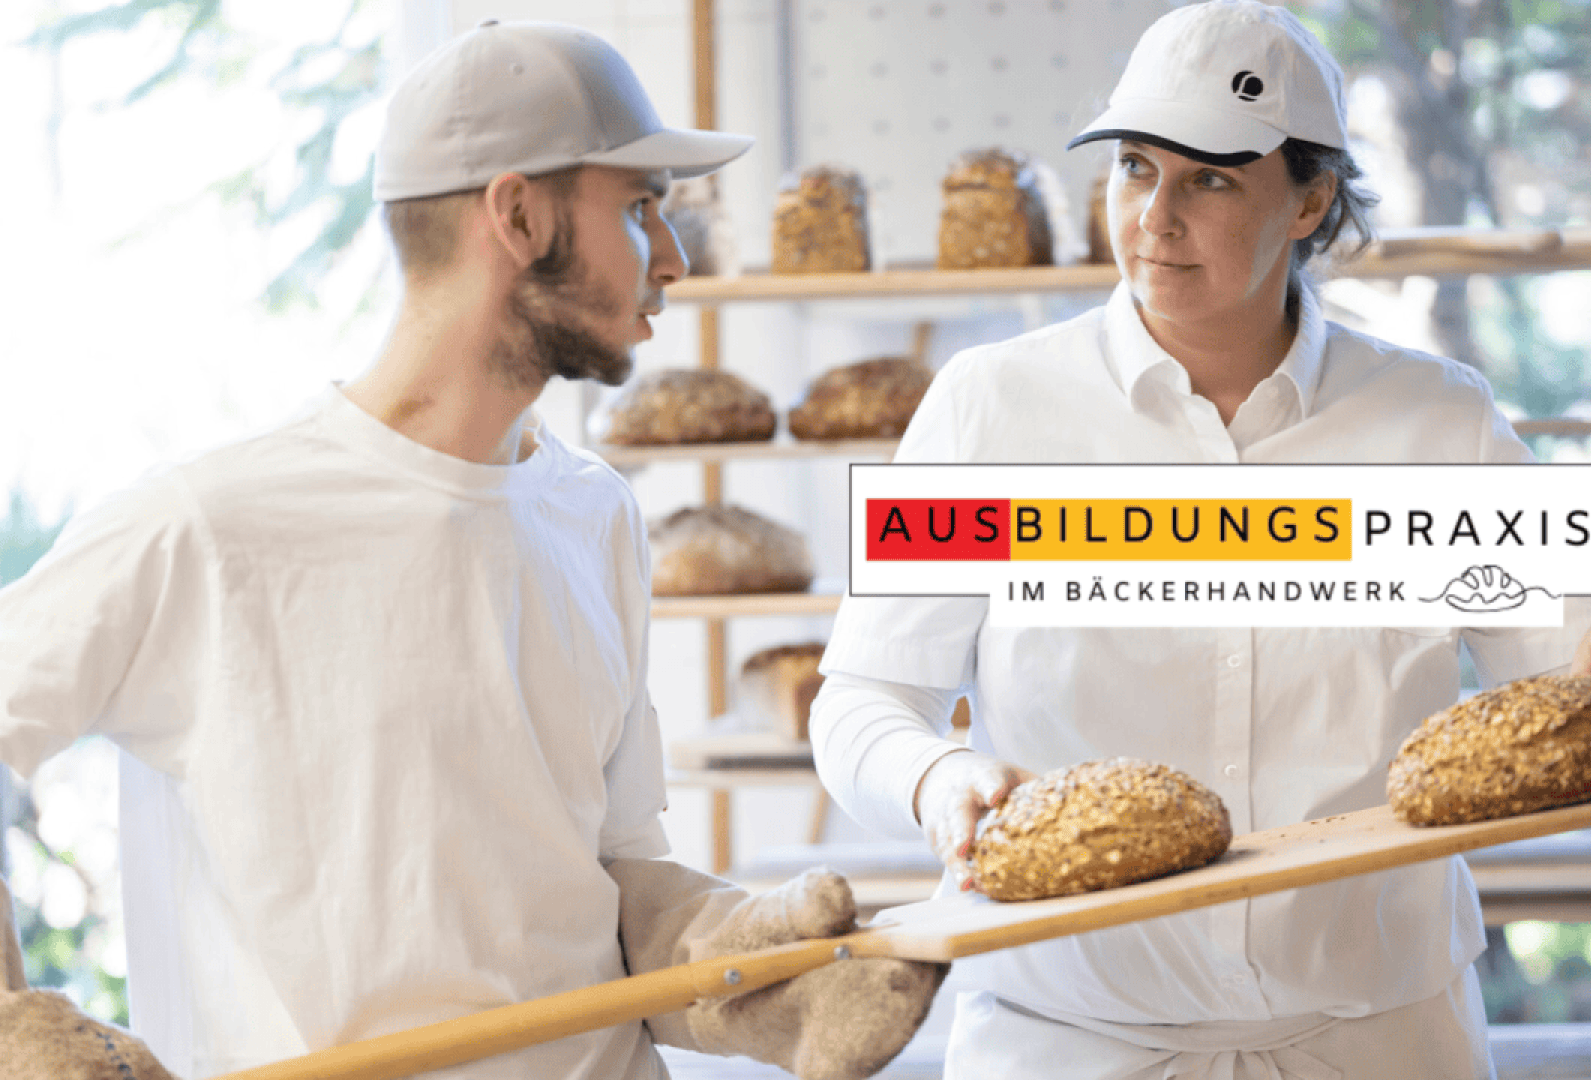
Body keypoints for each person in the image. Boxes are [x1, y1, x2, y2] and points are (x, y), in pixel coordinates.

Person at [0, 21, 940, 1080]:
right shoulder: (209, 528)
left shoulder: (595, 515)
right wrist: (11, 1023)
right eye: (639, 209)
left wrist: (751, 974)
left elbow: (611, 877)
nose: (673, 259)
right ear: (520, 212)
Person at [809, 3, 1591, 1077]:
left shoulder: (1433, 420)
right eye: (1136, 167)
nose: (1155, 216)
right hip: (1068, 1040)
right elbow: (862, 704)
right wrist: (938, 778)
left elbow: (1572, 659)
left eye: (1212, 179)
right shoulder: (990, 410)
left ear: (1311, 200)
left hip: (1381, 1034)